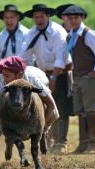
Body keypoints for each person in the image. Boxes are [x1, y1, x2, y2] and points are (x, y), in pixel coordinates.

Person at [19, 4, 72, 154]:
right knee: (42, 106)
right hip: (42, 74)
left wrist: (54, 78)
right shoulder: (31, 33)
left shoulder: (57, 32)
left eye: (41, 16)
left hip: (60, 73)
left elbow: (60, 58)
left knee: (60, 106)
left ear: (47, 16)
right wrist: (17, 71)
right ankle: (48, 138)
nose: (39, 19)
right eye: (36, 16)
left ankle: (62, 141)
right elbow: (25, 55)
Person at [62, 5, 95, 154]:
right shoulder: (70, 36)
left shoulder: (89, 34)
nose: (73, 21)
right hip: (77, 77)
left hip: (89, 77)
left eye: (76, 18)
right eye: (70, 18)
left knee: (90, 110)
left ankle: (93, 143)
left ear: (82, 18)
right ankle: (83, 143)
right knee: (80, 110)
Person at [0, 56, 59, 141]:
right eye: (3, 75)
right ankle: (0, 128)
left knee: (53, 114)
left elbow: (51, 107)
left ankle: (44, 132)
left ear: (19, 75)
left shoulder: (33, 80)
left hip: (40, 82)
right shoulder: (5, 80)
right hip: (16, 88)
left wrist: (40, 128)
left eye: (7, 76)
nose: (4, 79)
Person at [0, 4, 29, 84]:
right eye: (6, 17)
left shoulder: (27, 34)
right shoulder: (0, 37)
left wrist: (27, 78)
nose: (9, 21)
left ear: (17, 17)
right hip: (5, 79)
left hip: (24, 76)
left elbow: (31, 58)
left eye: (12, 17)